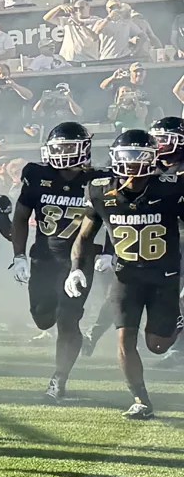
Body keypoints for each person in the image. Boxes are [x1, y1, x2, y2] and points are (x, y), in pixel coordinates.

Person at [72, 130, 184, 418]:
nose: (131, 163)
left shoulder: (171, 187)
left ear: (152, 158)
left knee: (157, 345)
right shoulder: (99, 190)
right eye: (126, 157)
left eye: (139, 157)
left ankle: (178, 321)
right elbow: (84, 237)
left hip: (164, 275)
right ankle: (141, 399)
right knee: (125, 339)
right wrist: (74, 270)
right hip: (126, 276)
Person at [13, 122, 103, 401]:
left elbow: (114, 216)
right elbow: (20, 216)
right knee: (42, 319)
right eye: (58, 147)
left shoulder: (99, 179)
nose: (62, 152)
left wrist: (110, 253)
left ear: (84, 149)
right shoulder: (36, 173)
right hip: (44, 256)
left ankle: (59, 377)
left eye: (68, 147)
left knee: (67, 320)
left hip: (79, 261)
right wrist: (19, 255)